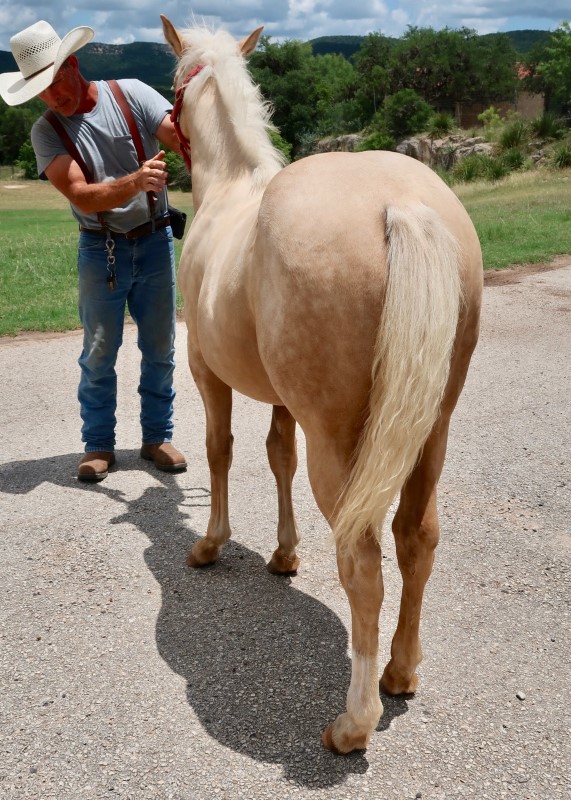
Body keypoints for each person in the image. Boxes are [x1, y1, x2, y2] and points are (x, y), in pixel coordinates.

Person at [0, 20, 187, 482]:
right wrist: (135, 181)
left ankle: (156, 436)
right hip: (98, 248)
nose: (52, 97)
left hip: (155, 239)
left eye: (54, 82)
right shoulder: (46, 133)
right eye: (39, 90)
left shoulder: (133, 93)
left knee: (160, 346)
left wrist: (196, 113)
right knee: (100, 351)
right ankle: (99, 444)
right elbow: (82, 195)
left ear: (73, 64)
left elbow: (180, 136)